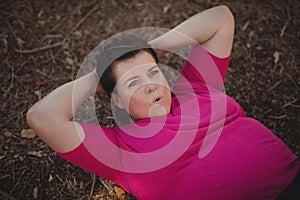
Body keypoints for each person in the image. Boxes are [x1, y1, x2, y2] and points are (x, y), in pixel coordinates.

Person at [26, 5, 299, 200]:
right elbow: (42, 116)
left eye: (153, 73)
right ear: (117, 101)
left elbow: (220, 18)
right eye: (133, 83)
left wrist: (145, 51)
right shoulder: (120, 150)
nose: (151, 84)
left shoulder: (194, 88)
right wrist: (99, 73)